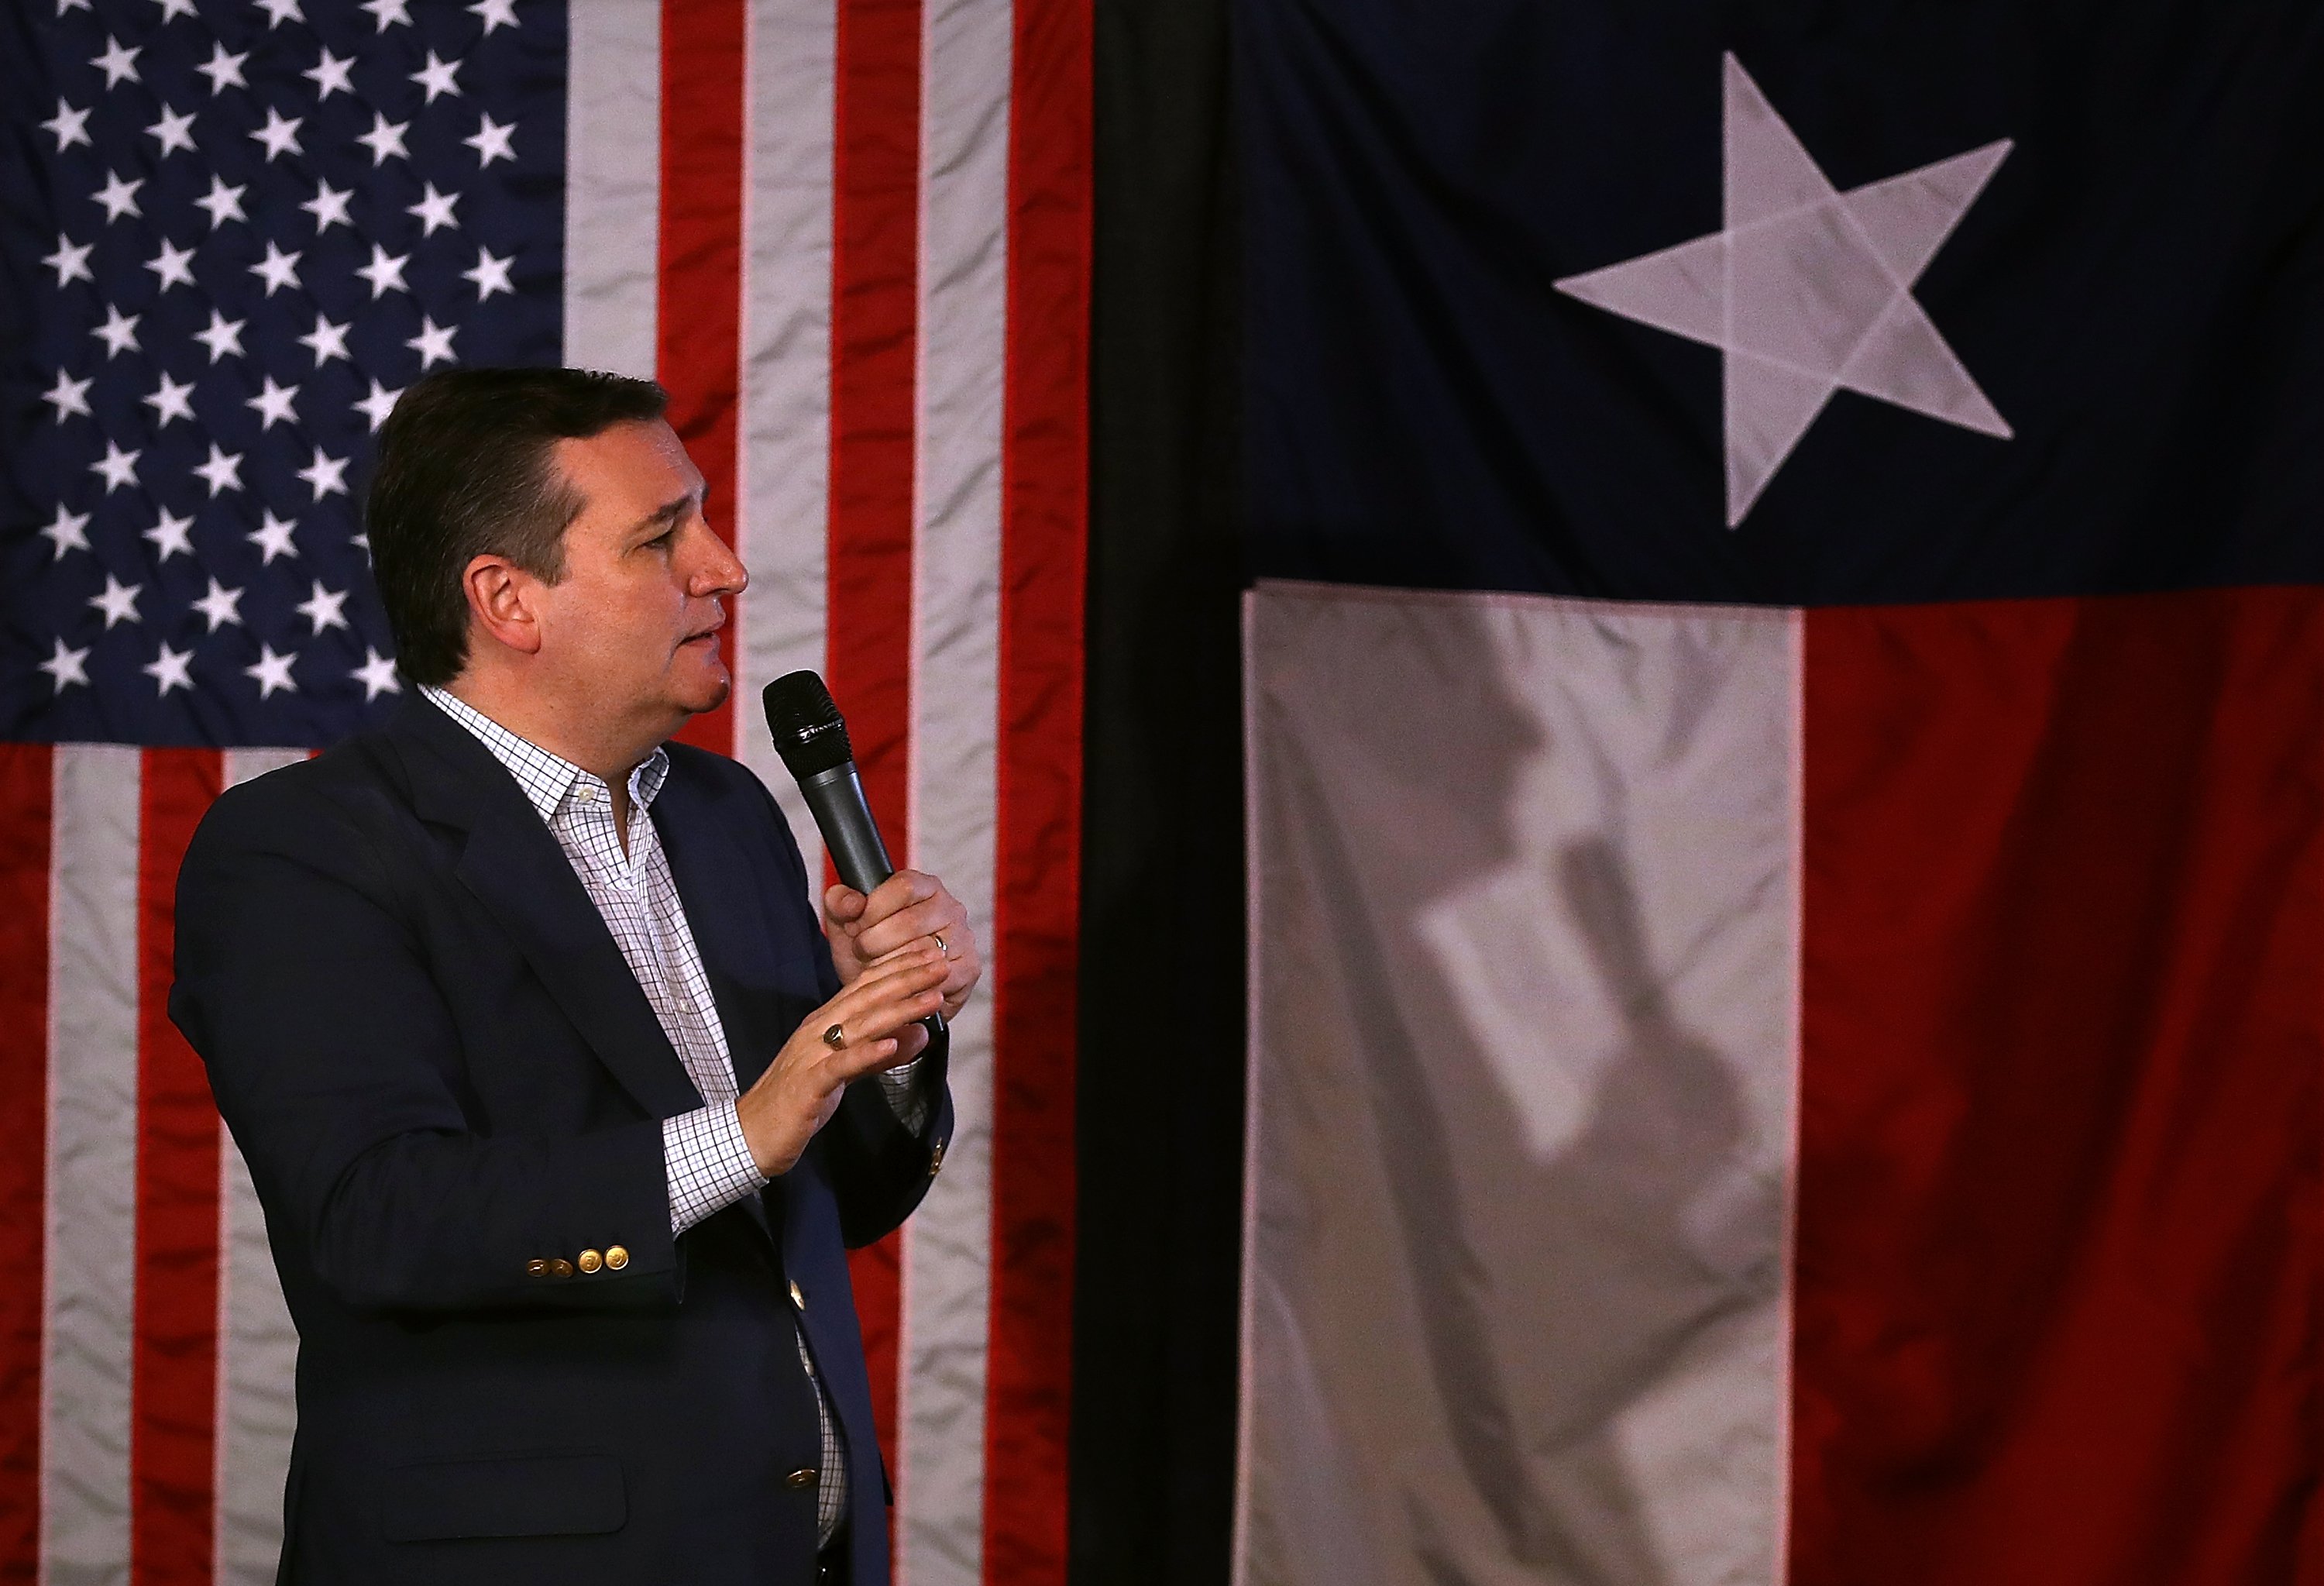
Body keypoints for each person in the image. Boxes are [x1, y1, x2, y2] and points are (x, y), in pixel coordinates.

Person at [169, 366, 979, 1586]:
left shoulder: (729, 816)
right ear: (508, 600)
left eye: (700, 519)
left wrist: (885, 1050)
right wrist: (744, 1132)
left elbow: (811, 1211)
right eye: (663, 537)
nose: (724, 568)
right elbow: (376, 1219)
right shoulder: (302, 849)